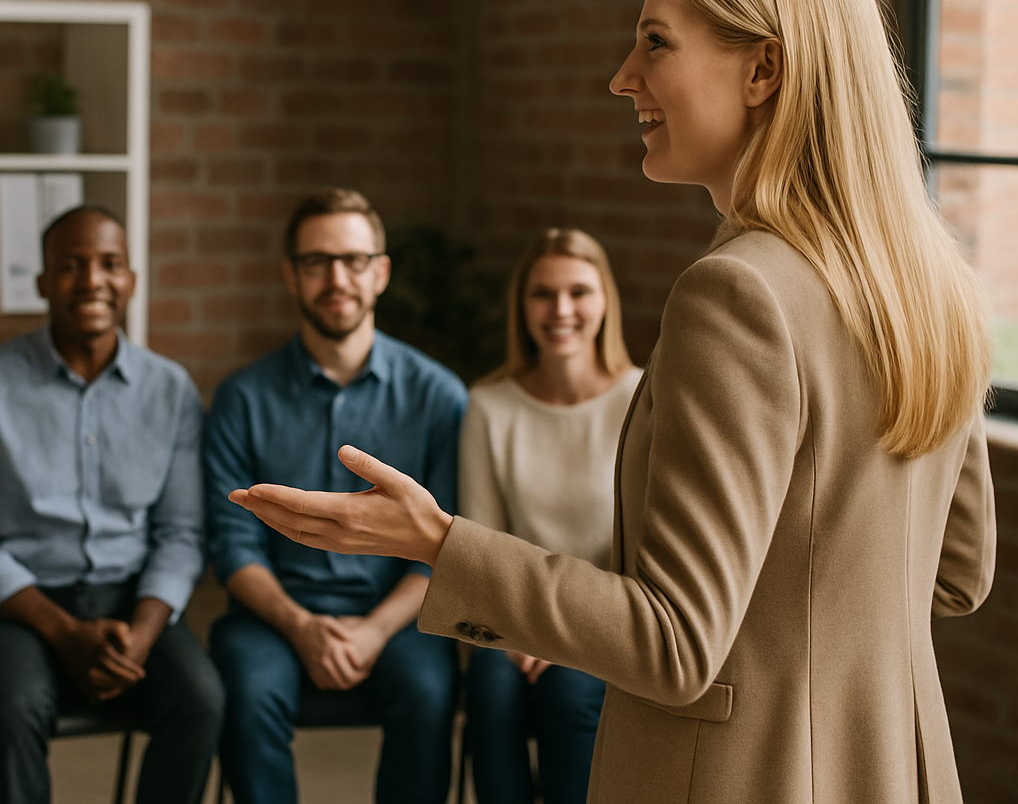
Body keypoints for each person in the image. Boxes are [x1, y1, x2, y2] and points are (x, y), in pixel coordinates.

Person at [229, 0, 996, 804]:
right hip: (895, 769)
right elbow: (957, 574)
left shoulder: (737, 295)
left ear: (763, 70)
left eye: (656, 42)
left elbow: (676, 648)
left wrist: (436, 541)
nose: (622, 77)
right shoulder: (935, 286)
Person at [204, 188, 467, 804]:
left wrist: (374, 631)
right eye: (317, 261)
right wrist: (301, 626)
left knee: (429, 695)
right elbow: (232, 544)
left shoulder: (439, 397)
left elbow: (451, 545)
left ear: (381, 272)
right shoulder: (243, 398)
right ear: (291, 277)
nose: (336, 277)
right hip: (274, 618)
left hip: (400, 617)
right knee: (243, 691)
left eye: (353, 260)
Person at [0, 206, 223, 804]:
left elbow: (180, 533)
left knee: (201, 700)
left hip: (134, 599)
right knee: (11, 710)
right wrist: (64, 631)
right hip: (24, 604)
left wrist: (144, 636)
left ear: (131, 280)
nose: (92, 280)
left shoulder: (169, 389)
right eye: (71, 266)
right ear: (44, 283)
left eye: (109, 264)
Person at [461, 228, 642, 804]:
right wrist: (519, 632)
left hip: (606, 624)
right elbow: (480, 546)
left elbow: (639, 554)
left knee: (569, 696)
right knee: (490, 689)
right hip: (511, 622)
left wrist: (564, 636)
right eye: (542, 294)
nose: (560, 310)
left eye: (578, 292)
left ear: (605, 301)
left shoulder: (642, 399)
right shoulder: (489, 407)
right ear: (522, 304)